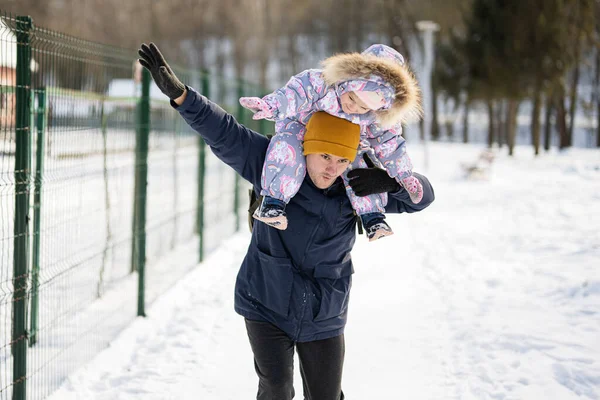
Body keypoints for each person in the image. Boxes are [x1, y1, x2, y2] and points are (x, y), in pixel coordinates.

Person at [138, 42, 435, 400]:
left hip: (325, 308)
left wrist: (389, 181)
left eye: (341, 160)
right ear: (307, 145)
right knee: (277, 388)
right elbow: (225, 132)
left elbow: (422, 197)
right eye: (324, 155)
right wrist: (183, 97)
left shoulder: (357, 183)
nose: (332, 167)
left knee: (325, 395)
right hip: (266, 299)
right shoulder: (272, 162)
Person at [239, 44, 423, 241]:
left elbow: (390, 143)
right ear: (347, 80)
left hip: (346, 144)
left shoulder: (375, 117)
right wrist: (271, 106)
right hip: (303, 128)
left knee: (362, 167)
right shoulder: (322, 84)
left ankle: (372, 217)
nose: (354, 108)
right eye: (352, 98)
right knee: (287, 148)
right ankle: (273, 203)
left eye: (364, 107)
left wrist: (404, 175)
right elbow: (296, 94)